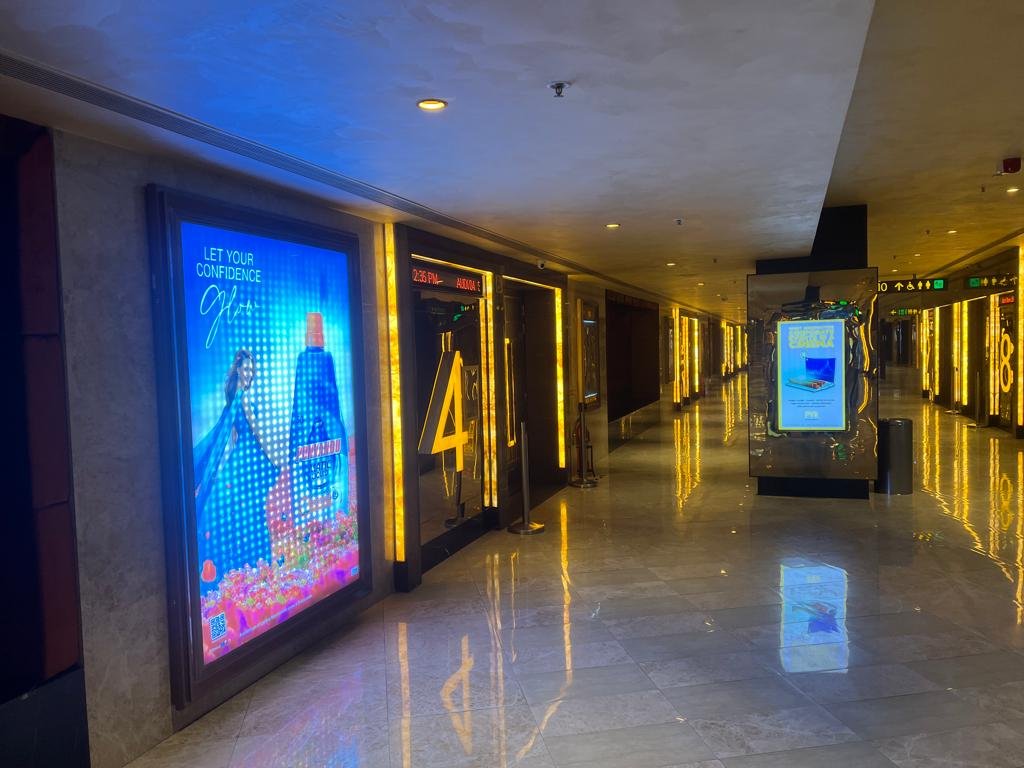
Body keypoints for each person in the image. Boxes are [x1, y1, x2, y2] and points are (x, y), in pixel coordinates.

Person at [193, 349, 281, 593]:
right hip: (250, 458)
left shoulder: (234, 398)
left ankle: (247, 569)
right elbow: (257, 432)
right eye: (246, 368)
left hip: (243, 458)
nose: (249, 373)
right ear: (238, 370)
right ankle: (255, 567)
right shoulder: (241, 397)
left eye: (252, 369)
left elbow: (233, 437)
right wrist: (273, 457)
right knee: (251, 513)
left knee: (245, 512)